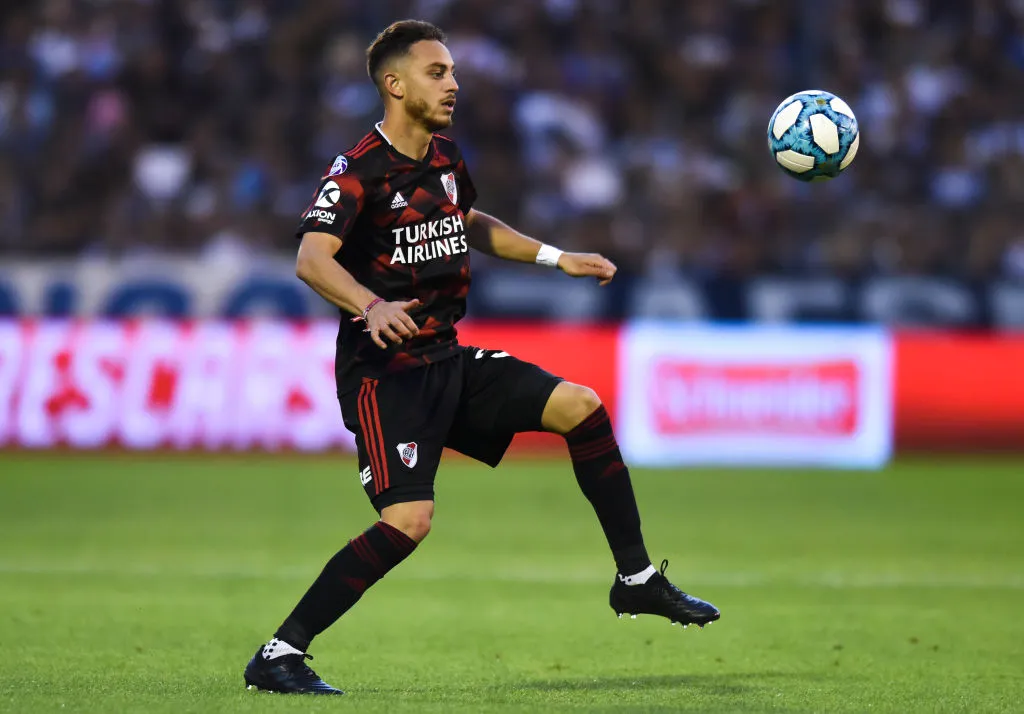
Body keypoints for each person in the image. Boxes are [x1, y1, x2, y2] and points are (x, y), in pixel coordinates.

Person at [243, 19, 719, 696]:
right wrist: (369, 306)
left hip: (448, 357)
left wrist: (558, 258)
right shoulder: (357, 172)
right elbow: (311, 258)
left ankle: (637, 580)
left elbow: (470, 223)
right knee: (408, 522)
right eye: (438, 72)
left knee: (581, 407)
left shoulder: (445, 159)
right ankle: (279, 653)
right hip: (387, 374)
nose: (454, 84)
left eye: (454, 73)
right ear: (394, 83)